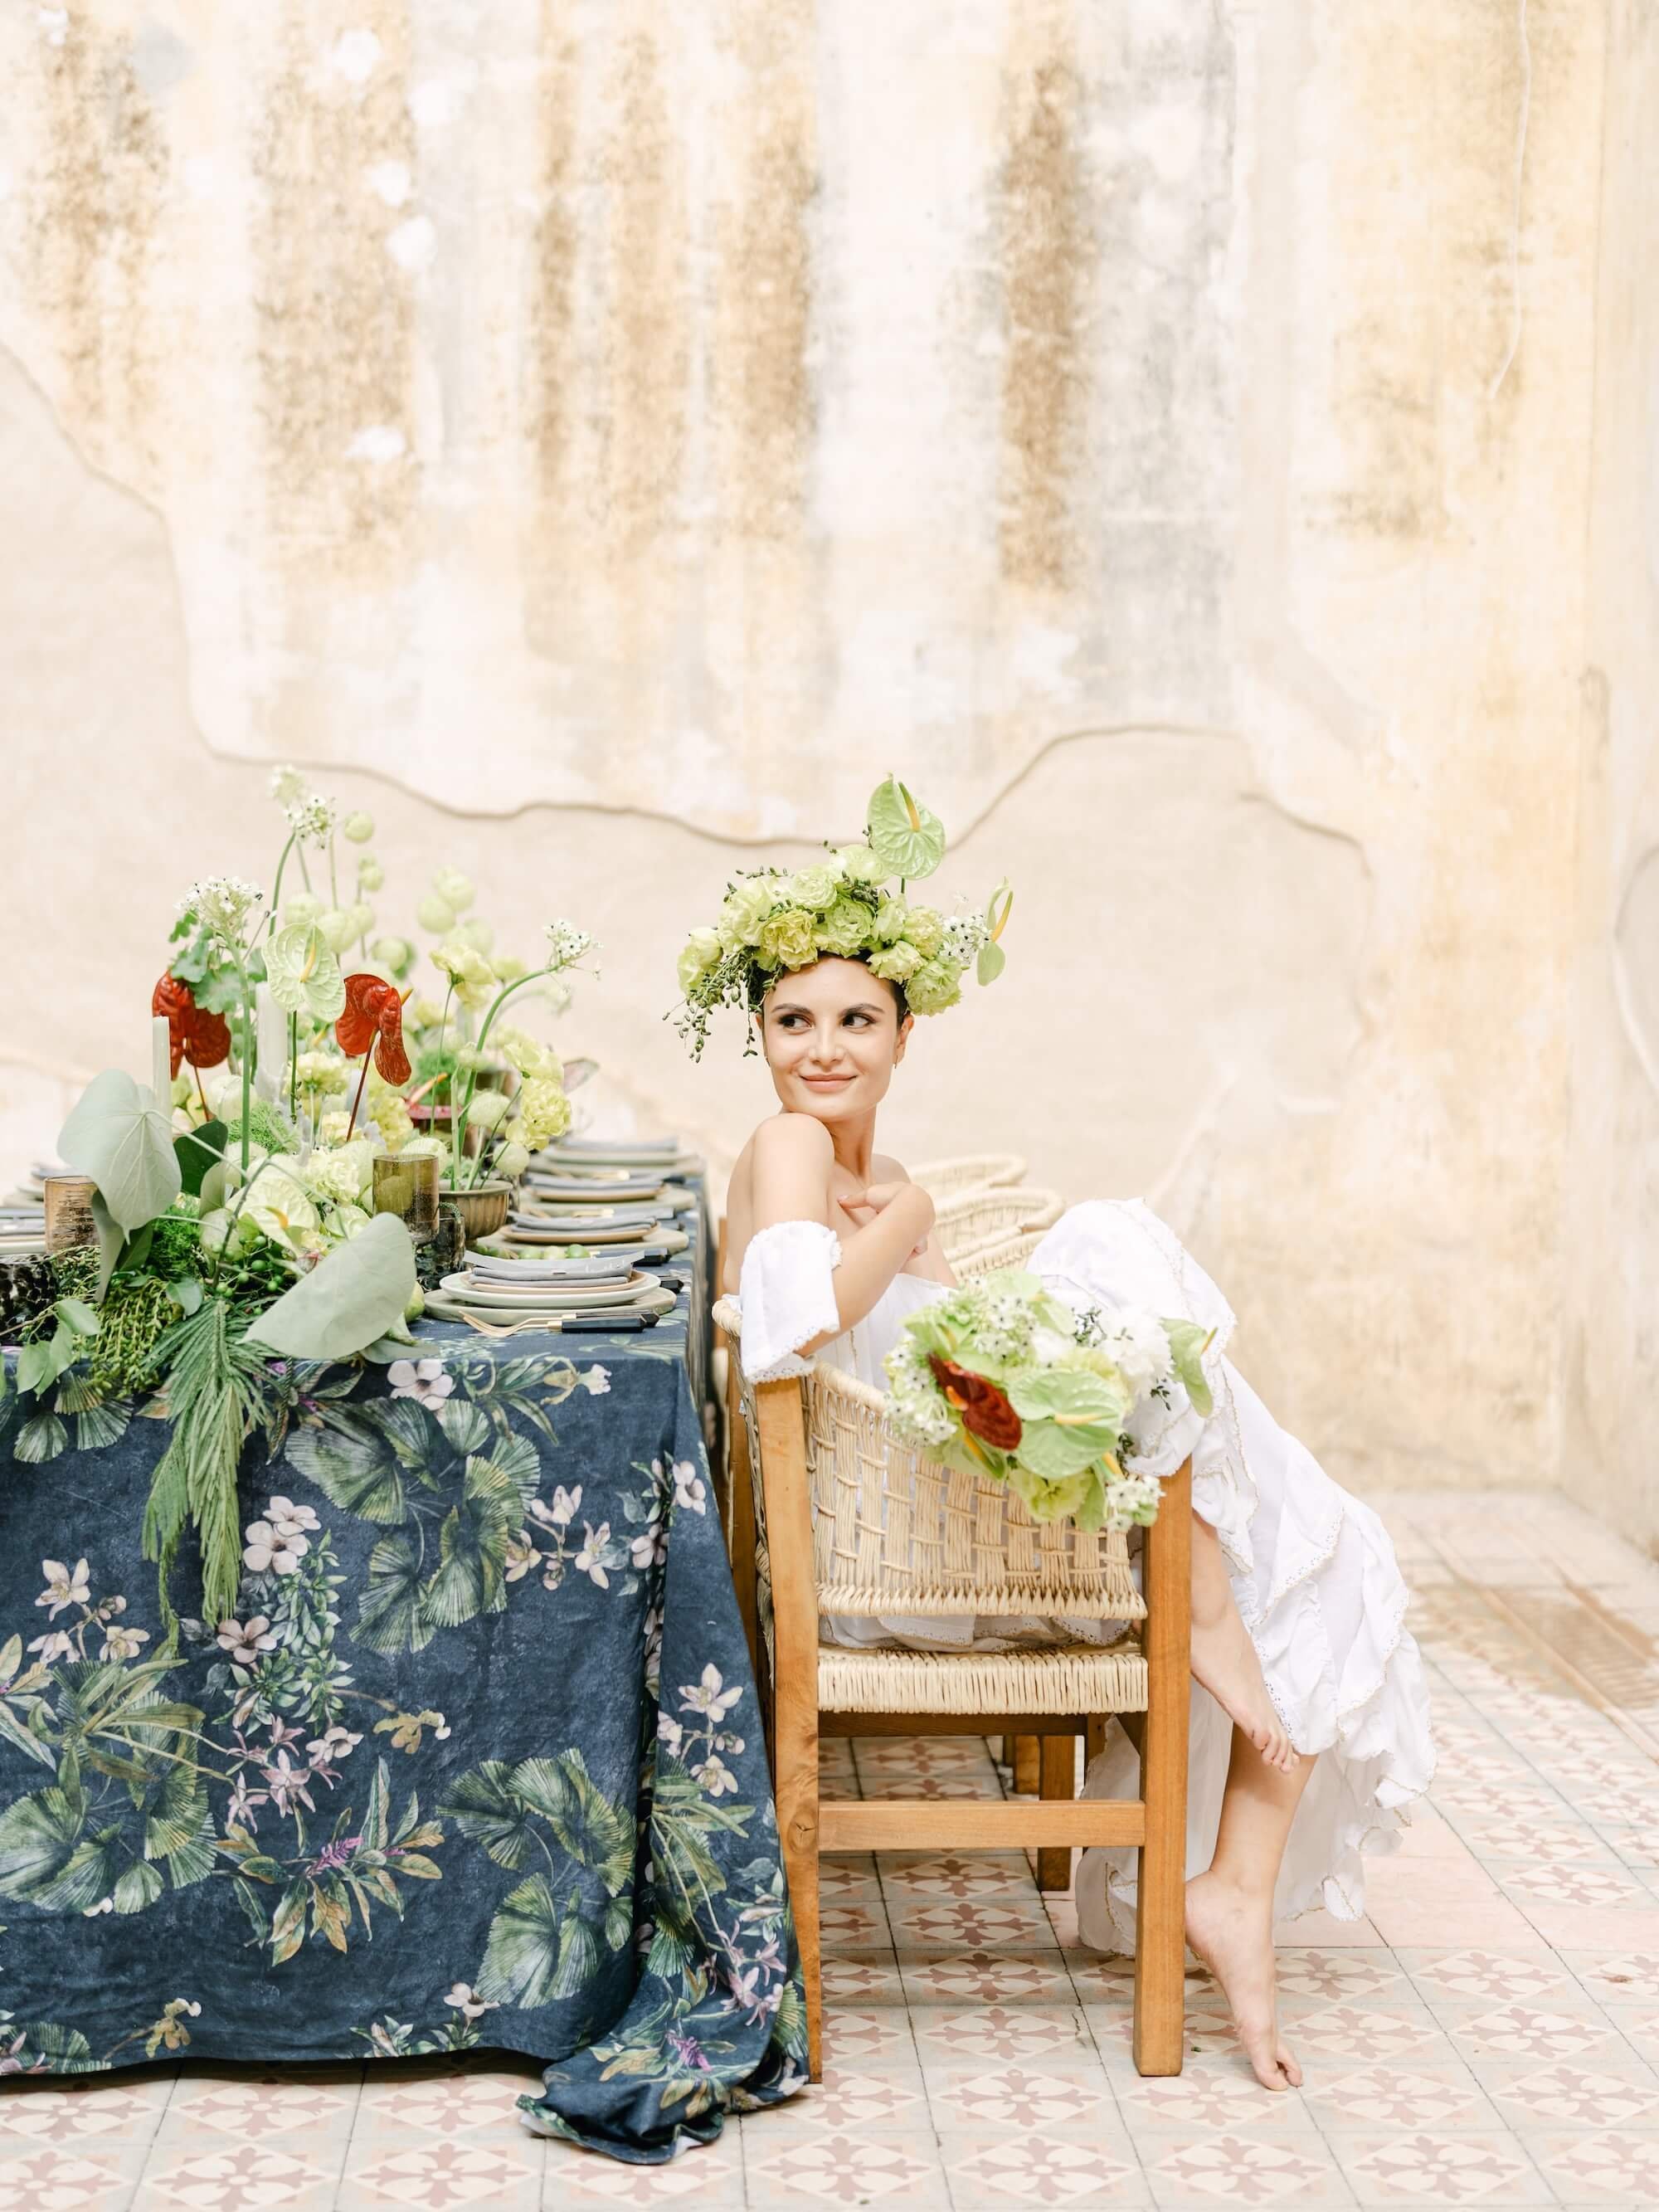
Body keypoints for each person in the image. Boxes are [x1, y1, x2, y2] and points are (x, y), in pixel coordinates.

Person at [676, 777, 1435, 2093]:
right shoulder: (791, 1140)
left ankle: (1233, 1881)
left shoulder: (860, 1170)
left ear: (906, 1035)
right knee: (1135, 1271)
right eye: (793, 1019)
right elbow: (797, 1323)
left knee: (1323, 1543)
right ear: (758, 1033)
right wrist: (907, 1227)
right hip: (911, 1540)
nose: (824, 1048)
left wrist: (913, 1236)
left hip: (952, 1499)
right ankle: (1207, 1662)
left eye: (858, 1018)